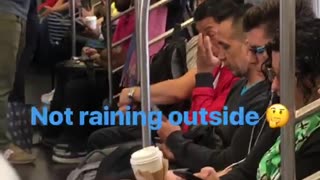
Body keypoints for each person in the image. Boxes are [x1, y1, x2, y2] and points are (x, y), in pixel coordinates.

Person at [193, 17, 320, 180]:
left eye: (283, 77)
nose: (274, 86)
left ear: (315, 78)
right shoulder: (285, 110)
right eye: (273, 74)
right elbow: (247, 170)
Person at [161, 0, 274, 174]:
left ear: (247, 44)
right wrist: (180, 148)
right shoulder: (240, 85)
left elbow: (230, 160)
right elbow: (211, 134)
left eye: (224, 46)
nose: (219, 54)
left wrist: (177, 142)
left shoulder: (265, 99)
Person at [0, 0, 36, 164]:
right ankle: (2, 147)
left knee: (7, 82)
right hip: (6, 11)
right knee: (2, 84)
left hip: (17, 12)